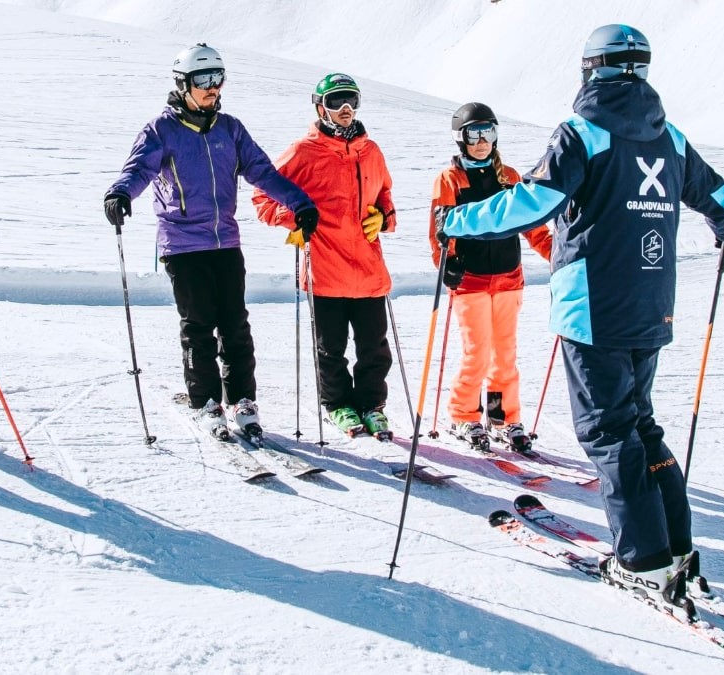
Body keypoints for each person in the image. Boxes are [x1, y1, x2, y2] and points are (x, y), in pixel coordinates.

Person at [438, 25, 724, 601]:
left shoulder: (583, 133)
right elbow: (720, 198)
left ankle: (644, 559)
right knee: (639, 422)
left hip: (594, 308)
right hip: (653, 306)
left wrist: (456, 221)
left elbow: (533, 202)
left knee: (608, 430)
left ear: (591, 70)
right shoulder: (669, 137)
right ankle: (674, 544)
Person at [103, 44, 318, 438]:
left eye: (217, 78)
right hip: (183, 245)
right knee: (199, 326)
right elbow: (138, 170)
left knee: (236, 325)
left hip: (225, 243)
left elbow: (262, 172)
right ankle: (206, 402)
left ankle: (242, 401)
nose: (212, 87)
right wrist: (119, 194)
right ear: (183, 84)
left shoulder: (230, 128)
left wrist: (300, 203)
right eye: (203, 80)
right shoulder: (161, 130)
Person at [253, 73, 397, 440]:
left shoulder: (371, 151)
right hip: (326, 269)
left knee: (374, 348)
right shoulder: (304, 151)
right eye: (336, 101)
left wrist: (383, 217)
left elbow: (385, 197)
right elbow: (263, 198)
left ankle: (371, 405)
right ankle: (338, 404)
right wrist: (295, 218)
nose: (345, 109)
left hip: (368, 270)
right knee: (331, 349)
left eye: (351, 100)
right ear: (320, 107)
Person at [428, 102, 552, 454]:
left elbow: (534, 226)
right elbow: (440, 230)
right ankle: (464, 414)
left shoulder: (509, 177)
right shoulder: (450, 179)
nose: (482, 141)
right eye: (474, 134)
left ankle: (502, 417)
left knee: (505, 355)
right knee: (477, 353)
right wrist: (446, 261)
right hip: (471, 281)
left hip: (509, 278)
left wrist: (558, 254)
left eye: (488, 132)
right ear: (460, 138)